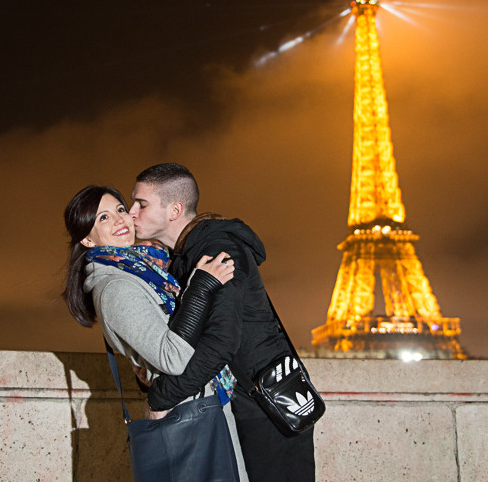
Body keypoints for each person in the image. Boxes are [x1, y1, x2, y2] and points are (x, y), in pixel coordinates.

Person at [129, 163, 316, 482]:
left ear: (174, 210)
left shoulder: (218, 250)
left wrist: (162, 397)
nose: (131, 212)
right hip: (245, 399)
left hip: (265, 404)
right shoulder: (186, 256)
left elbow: (221, 342)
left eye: (141, 204)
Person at [62, 185, 249, 481]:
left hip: (197, 401)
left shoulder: (144, 271)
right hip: (186, 412)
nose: (119, 220)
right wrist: (200, 286)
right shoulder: (115, 287)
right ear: (87, 238)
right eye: (103, 218)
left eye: (121, 210)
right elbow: (172, 358)